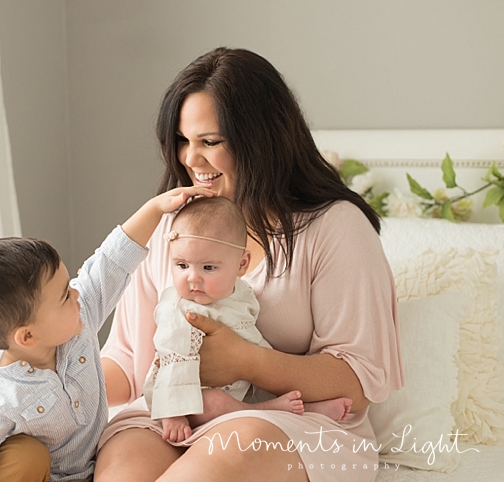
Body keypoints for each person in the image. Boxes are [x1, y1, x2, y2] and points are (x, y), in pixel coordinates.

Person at [95, 47, 403, 482]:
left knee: (224, 454)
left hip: (296, 423)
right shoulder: (172, 226)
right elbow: (128, 361)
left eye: (209, 142)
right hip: (172, 411)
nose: (189, 159)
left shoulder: (335, 228)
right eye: (183, 140)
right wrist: (48, 381)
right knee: (123, 469)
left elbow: (358, 380)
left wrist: (244, 360)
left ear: (261, 139)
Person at [0, 185, 215, 482]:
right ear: (27, 337)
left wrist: (154, 208)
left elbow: (111, 262)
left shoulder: (77, 319)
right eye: (65, 295)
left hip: (88, 470)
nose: (77, 294)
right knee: (23, 454)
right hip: (39, 474)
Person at [144, 196, 352, 443]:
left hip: (241, 380)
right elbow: (173, 357)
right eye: (182, 265)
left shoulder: (240, 293)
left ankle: (306, 407)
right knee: (214, 402)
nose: (192, 278)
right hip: (189, 394)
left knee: (271, 373)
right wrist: (174, 415)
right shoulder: (177, 309)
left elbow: (251, 338)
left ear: (241, 264)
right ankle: (269, 410)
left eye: (208, 268)